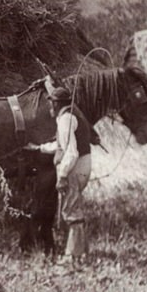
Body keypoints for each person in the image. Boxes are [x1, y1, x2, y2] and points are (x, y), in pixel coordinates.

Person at [47, 78, 94, 262]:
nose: (50, 105)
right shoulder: (71, 115)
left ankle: (72, 256)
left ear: (57, 103)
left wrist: (63, 175)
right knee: (73, 208)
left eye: (51, 102)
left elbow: (71, 152)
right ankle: (81, 252)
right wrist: (40, 148)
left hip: (75, 167)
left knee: (70, 210)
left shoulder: (65, 119)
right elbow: (62, 146)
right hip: (82, 164)